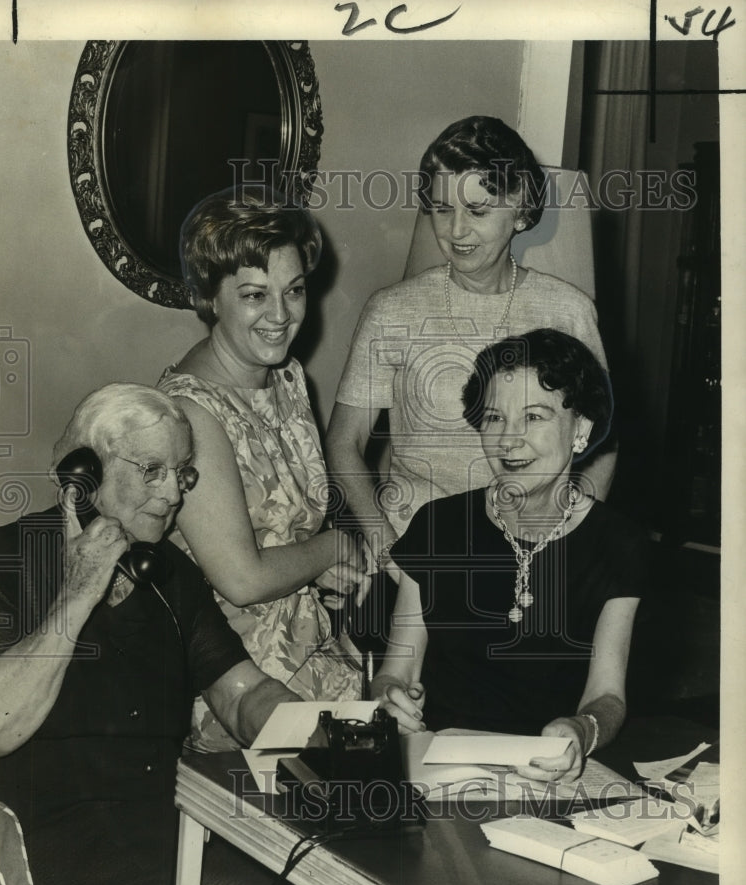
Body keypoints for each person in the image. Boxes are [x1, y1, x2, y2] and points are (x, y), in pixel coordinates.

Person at [0, 383, 365, 885]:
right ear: (83, 478)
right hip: (46, 865)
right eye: (152, 471)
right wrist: (81, 591)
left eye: (182, 473)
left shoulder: (168, 576)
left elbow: (245, 696)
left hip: (161, 843)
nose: (172, 494)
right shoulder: (5, 562)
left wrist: (342, 740)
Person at [326, 115, 616, 587]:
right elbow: (345, 441)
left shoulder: (568, 311)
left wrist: (568, 541)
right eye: (441, 209)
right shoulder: (391, 310)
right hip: (413, 556)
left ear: (520, 210)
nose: (456, 231)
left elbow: (602, 444)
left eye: (478, 211)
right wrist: (385, 545)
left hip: (528, 557)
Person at [370, 330, 648, 782]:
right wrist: (389, 699)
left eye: (534, 416)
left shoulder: (618, 544)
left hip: (547, 772)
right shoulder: (438, 526)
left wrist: (581, 729)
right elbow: (396, 670)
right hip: (436, 767)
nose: (508, 440)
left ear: (580, 429)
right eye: (494, 418)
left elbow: (608, 696)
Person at [158, 185, 367, 752]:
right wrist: (334, 549)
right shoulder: (189, 413)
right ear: (210, 297)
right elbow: (242, 579)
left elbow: (286, 530)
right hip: (236, 687)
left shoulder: (289, 377)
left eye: (294, 291)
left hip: (314, 655)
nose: (280, 315)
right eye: (254, 295)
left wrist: (316, 565)